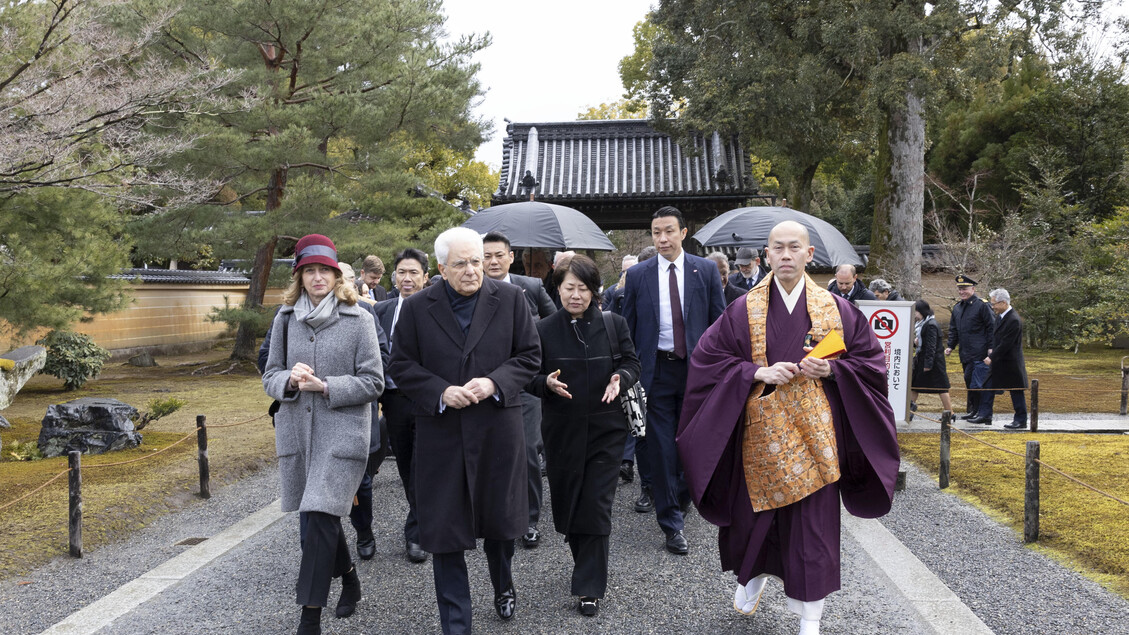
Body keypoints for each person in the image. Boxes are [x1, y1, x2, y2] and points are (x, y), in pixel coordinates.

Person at [677, 221, 899, 635]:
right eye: (777, 248)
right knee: (752, 521)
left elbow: (871, 364)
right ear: (765, 255)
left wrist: (833, 369)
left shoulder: (838, 309)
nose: (785, 255)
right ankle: (752, 576)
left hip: (816, 439)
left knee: (812, 529)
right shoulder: (742, 309)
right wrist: (756, 371)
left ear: (809, 255)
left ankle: (810, 616)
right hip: (759, 435)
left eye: (794, 247)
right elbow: (708, 361)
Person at [387, 227, 541, 635]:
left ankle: (503, 583)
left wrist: (493, 382)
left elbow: (529, 356)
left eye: (477, 261)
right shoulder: (419, 307)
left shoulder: (509, 300)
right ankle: (457, 625)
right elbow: (400, 365)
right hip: (441, 433)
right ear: (440, 268)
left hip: (496, 429)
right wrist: (440, 391)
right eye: (462, 263)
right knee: (445, 531)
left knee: (501, 526)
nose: (473, 270)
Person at [261, 234, 385, 635]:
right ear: (299, 276)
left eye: (324, 271)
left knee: (318, 517)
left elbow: (373, 383)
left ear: (336, 275)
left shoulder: (360, 319)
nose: (317, 278)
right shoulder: (284, 319)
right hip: (298, 433)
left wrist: (326, 385)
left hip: (342, 436)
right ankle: (349, 577)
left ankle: (309, 619)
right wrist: (290, 381)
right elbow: (270, 374)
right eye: (309, 271)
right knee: (322, 518)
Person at [527, 254, 641, 617]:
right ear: (557, 289)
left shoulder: (613, 324)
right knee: (570, 504)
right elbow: (526, 376)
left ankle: (589, 587)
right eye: (568, 288)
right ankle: (585, 566)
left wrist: (619, 378)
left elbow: (632, 363)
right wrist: (544, 383)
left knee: (595, 503)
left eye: (582, 288)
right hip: (561, 432)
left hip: (607, 431)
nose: (575, 295)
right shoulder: (543, 329)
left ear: (594, 291)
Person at [622, 206, 726, 555]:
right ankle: (671, 523)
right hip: (657, 372)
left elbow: (719, 325)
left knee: (690, 445)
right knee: (661, 449)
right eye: (656, 232)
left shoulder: (705, 270)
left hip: (696, 372)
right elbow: (629, 329)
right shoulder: (638, 276)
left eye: (668, 231)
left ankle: (682, 496)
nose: (662, 238)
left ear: (683, 233)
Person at [482, 231, 555, 549]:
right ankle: (494, 514)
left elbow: (557, 324)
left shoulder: (532, 287)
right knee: (489, 453)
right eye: (487, 256)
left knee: (526, 452)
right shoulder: (470, 290)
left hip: (525, 384)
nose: (493, 261)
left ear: (512, 257)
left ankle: (529, 519)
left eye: (499, 255)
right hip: (484, 384)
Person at [374, 248, 430, 564]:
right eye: (401, 272)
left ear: (425, 276)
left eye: (413, 272)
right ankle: (420, 520)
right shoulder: (380, 310)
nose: (406, 278)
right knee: (407, 464)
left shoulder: (437, 309)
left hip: (425, 398)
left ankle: (417, 533)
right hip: (393, 399)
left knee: (425, 465)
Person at [969, 289, 1029, 429]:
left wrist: (992, 357)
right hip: (999, 361)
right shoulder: (1001, 316)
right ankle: (985, 415)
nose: (992, 307)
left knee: (1016, 390)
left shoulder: (1013, 319)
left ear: (1003, 303)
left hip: (1010, 362)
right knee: (988, 385)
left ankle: (1021, 420)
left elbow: (1006, 344)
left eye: (994, 304)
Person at [945, 275, 996, 420]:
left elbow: (992, 327)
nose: (962, 292)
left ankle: (982, 413)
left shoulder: (982, 305)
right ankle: (973, 410)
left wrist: (991, 349)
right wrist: (950, 346)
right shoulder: (957, 308)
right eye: (960, 289)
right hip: (966, 353)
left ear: (973, 289)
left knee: (978, 383)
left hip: (981, 353)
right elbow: (954, 329)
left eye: (965, 289)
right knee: (969, 381)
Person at [910, 299, 952, 418]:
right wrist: (915, 343)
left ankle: (950, 413)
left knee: (942, 388)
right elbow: (922, 342)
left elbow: (931, 346)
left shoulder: (931, 324)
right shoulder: (924, 323)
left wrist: (928, 365)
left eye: (916, 312)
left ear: (922, 311)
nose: (914, 315)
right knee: (915, 386)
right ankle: (909, 411)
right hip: (923, 360)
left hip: (933, 362)